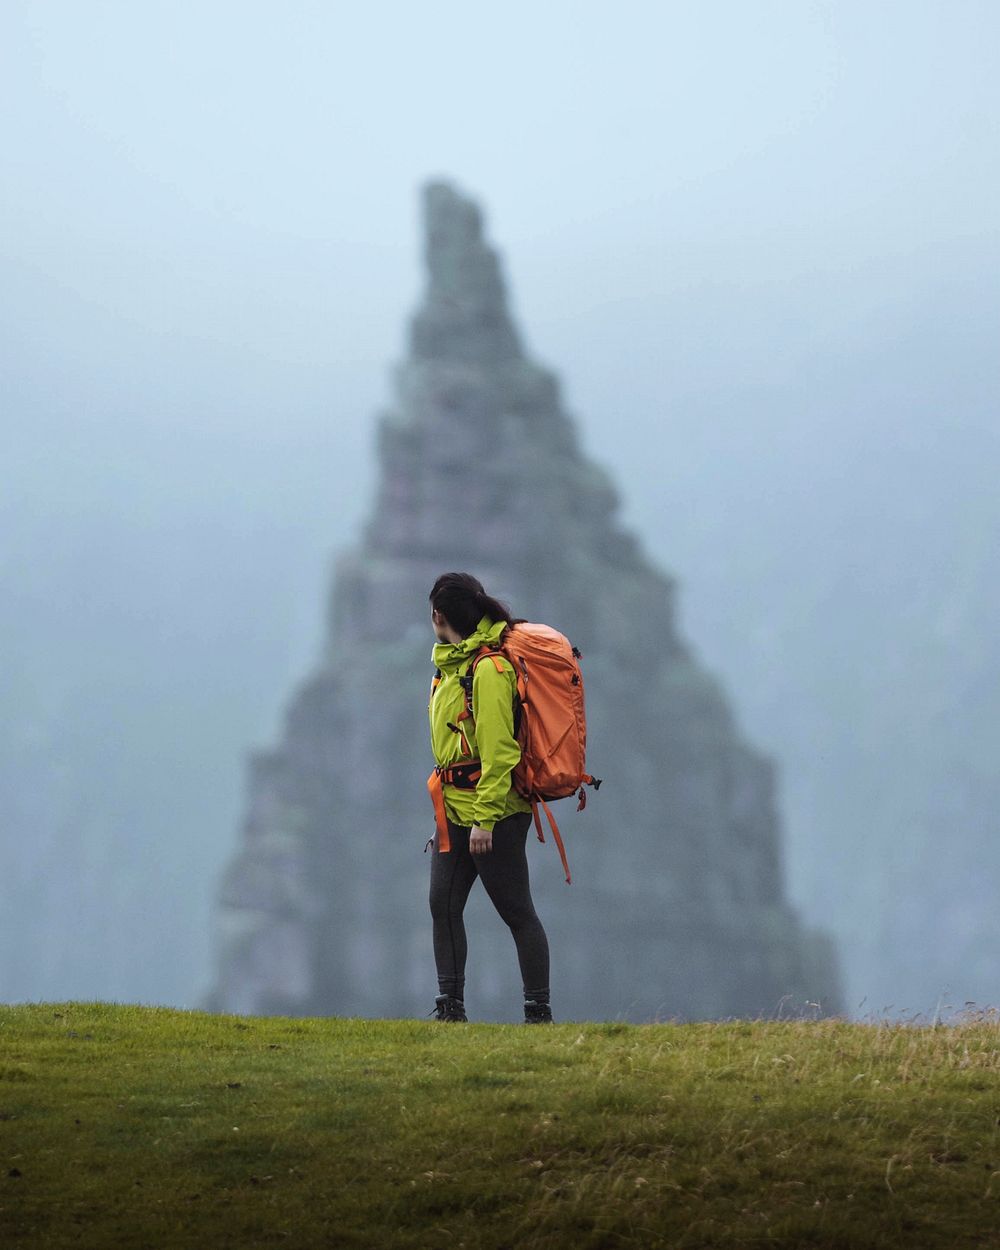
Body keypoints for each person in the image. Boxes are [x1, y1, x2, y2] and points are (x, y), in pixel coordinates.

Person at [426, 571, 553, 1024]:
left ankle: (538, 1012)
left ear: (438, 616)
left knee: (516, 911)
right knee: (442, 904)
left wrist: (485, 820)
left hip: (493, 812)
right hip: (455, 808)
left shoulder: (489, 670)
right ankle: (450, 1009)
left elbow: (500, 753)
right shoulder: (452, 666)